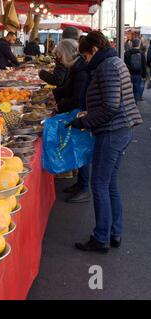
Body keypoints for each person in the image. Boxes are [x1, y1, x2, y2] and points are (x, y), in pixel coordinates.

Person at [70, 31, 142, 252]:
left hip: (113, 131)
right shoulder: (113, 61)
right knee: (109, 183)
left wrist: (85, 122)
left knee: (100, 184)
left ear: (94, 50)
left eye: (86, 56)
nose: (86, 61)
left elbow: (111, 106)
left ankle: (101, 237)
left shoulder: (108, 66)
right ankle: (114, 232)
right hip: (121, 130)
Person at [51, 39, 91, 203]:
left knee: (81, 149)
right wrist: (53, 94)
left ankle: (84, 188)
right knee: (77, 148)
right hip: (77, 111)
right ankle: (80, 184)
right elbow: (69, 88)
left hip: (80, 113)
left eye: (60, 56)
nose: (59, 60)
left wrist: (59, 105)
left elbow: (76, 98)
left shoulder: (81, 71)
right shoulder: (77, 67)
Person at [124, 38, 147, 103]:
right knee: (136, 90)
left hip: (128, 74)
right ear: (139, 44)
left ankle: (127, 103)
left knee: (127, 89)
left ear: (132, 44)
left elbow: (125, 63)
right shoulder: (142, 53)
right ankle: (135, 103)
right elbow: (143, 65)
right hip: (138, 74)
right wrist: (144, 75)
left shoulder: (127, 53)